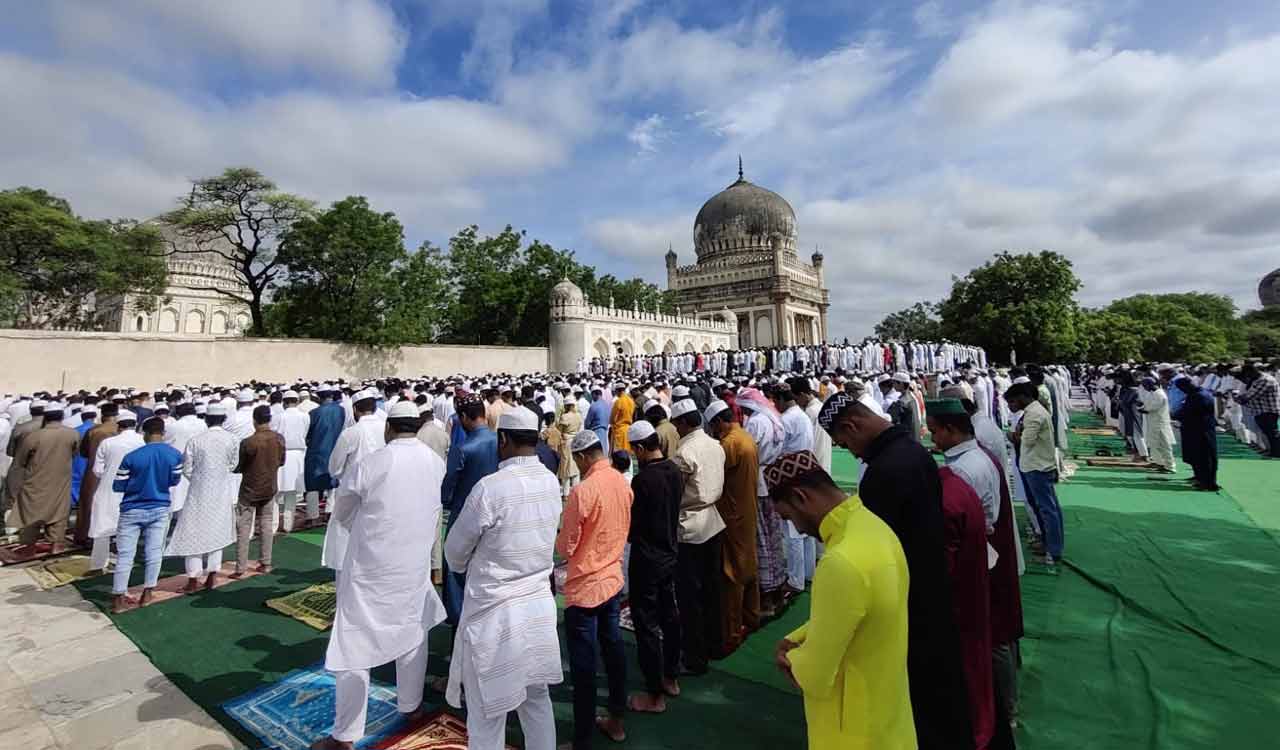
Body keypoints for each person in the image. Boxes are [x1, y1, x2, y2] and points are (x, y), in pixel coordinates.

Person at [817, 393, 974, 749]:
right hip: (931, 591)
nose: (853, 453)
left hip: (908, 605)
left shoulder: (885, 472)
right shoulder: (913, 453)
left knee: (921, 703)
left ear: (852, 425)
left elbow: (873, 557)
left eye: (846, 444)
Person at [309, 402, 447, 750]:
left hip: (372, 569)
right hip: (413, 563)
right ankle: (411, 705)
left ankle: (345, 735)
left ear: (389, 428)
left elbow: (343, 512)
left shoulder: (373, 464)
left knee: (353, 644)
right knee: (413, 632)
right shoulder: (434, 462)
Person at [765, 451, 916, 750]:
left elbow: (815, 676)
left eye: (788, 517)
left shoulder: (840, 561)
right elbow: (864, 610)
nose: (797, 528)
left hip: (852, 731)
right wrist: (799, 636)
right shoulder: (875, 526)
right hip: (889, 715)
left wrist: (790, 659)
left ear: (801, 497)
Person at [444, 406, 562, 750]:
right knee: (536, 700)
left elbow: (454, 553)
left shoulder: (490, 488)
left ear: (503, 440)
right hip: (537, 609)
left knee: (487, 709)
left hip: (495, 614)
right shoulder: (550, 482)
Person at [559, 429, 632, 749]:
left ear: (582, 457)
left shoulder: (583, 491)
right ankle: (616, 720)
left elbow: (566, 546)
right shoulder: (622, 482)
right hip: (612, 580)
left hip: (586, 587)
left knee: (584, 667)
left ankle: (582, 740)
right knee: (614, 651)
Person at [623, 420, 683, 714]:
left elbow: (635, 524)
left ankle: (654, 694)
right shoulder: (674, 470)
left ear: (640, 448)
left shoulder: (644, 480)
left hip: (647, 559)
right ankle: (671, 677)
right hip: (670, 553)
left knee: (646, 624)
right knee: (670, 617)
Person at [669, 398, 726, 674]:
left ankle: (694, 657)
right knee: (712, 589)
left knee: (690, 596)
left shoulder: (684, 453)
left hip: (690, 527)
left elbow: (676, 494)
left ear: (683, 422)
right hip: (713, 523)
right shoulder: (715, 444)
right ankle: (716, 644)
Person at [109, 417, 183, 613]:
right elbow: (174, 481)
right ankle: (148, 593)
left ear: (145, 433)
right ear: (163, 433)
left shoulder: (132, 457)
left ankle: (118, 598)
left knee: (125, 555)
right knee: (154, 553)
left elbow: (118, 485)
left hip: (132, 508)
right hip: (159, 507)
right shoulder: (174, 455)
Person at [703, 399, 760, 653]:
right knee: (749, 563)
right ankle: (752, 616)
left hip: (732, 515)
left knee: (732, 572)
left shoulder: (729, 444)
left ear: (718, 422)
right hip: (747, 510)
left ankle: (732, 632)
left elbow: (714, 478)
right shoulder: (745, 437)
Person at [440, 392, 499, 626]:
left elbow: (447, 488)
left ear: (464, 417)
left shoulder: (464, 448)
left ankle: (458, 619)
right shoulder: (501, 441)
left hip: (464, 513)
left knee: (455, 567)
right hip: (496, 512)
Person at [166, 403, 238, 592]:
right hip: (221, 491)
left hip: (198, 492)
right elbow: (232, 464)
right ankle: (212, 576)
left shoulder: (195, 441)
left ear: (206, 419)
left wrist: (201, 479)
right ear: (224, 419)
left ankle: (193, 579)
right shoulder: (232, 439)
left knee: (193, 532)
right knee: (216, 530)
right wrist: (217, 476)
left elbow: (187, 468)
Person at [324, 391, 387, 571]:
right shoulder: (387, 429)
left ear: (355, 410)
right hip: (382, 488)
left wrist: (343, 476)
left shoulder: (351, 433)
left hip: (353, 491)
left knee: (346, 534)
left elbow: (334, 467)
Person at [1005, 383, 1065, 565]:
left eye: (1012, 402)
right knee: (1045, 507)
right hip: (1034, 465)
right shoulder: (1032, 411)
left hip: (1037, 467)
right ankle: (1048, 543)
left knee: (1047, 509)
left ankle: (1053, 551)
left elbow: (1027, 441)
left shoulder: (1034, 414)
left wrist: (1012, 436)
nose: (1010, 406)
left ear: (1023, 397)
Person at [14, 404, 81, 551]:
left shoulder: (34, 436)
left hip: (36, 481)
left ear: (46, 417)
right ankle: (56, 544)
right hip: (61, 480)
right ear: (61, 416)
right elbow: (75, 453)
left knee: (32, 513)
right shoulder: (73, 434)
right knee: (58, 512)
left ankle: (29, 546)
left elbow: (20, 460)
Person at [775, 384, 817, 595]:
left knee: (793, 533)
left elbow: (778, 450)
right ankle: (808, 573)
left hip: (791, 476)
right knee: (807, 528)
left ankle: (795, 580)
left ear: (781, 400)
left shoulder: (786, 419)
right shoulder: (802, 415)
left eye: (776, 401)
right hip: (806, 473)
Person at [233, 405, 285, 576]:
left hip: (249, 490)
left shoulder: (248, 442)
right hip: (269, 487)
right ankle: (266, 562)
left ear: (254, 421)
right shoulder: (278, 439)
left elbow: (239, 467)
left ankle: (240, 567)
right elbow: (281, 461)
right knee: (266, 525)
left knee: (243, 528)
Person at [74, 402, 118, 546]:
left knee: (88, 502)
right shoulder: (120, 430)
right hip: (115, 471)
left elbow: (84, 452)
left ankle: (85, 535)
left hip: (93, 472)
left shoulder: (93, 431)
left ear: (102, 415)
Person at [304, 385, 346, 527]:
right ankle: (330, 512)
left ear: (319, 397)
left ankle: (313, 516)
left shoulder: (314, 413)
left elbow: (308, 434)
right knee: (333, 481)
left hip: (317, 451)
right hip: (336, 448)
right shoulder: (341, 410)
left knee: (312, 483)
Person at [1173, 378, 1220, 491]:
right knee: (1196, 456)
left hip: (1201, 431)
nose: (1182, 391)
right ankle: (1200, 478)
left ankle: (1208, 483)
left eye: (1181, 388)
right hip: (1195, 429)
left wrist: (1176, 415)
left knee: (1204, 457)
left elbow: (1190, 412)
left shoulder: (1200, 396)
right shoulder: (1196, 394)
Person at [273, 390, 309, 532]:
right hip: (297, 455)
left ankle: (273, 525)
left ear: (284, 402)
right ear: (297, 401)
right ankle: (288, 525)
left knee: (276, 493)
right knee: (291, 494)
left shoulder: (278, 417)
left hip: (281, 455)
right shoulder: (305, 416)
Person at [1238, 363, 1280, 458]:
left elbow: (1251, 395)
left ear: (1251, 371)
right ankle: (1273, 451)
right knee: (1268, 433)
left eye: (1247, 374)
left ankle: (1277, 453)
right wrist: (1241, 398)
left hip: (1269, 410)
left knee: (1272, 433)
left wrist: (1240, 398)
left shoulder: (1265, 380)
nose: (1247, 377)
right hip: (1260, 410)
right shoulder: (1257, 380)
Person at [1136, 378, 1176, 472]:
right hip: (1152, 422)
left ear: (1151, 384)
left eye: (1145, 385)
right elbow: (1146, 405)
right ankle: (1159, 463)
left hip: (1160, 424)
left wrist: (1142, 408)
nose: (1144, 388)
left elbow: (1150, 408)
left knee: (1164, 445)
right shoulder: (1152, 393)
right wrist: (1141, 405)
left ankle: (1170, 466)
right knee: (1154, 444)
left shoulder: (1159, 394)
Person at [609, 383, 635, 457]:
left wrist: (612, 423)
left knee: (619, 454)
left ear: (617, 391)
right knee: (628, 453)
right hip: (628, 429)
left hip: (619, 431)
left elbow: (612, 418)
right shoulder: (631, 401)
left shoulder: (619, 401)